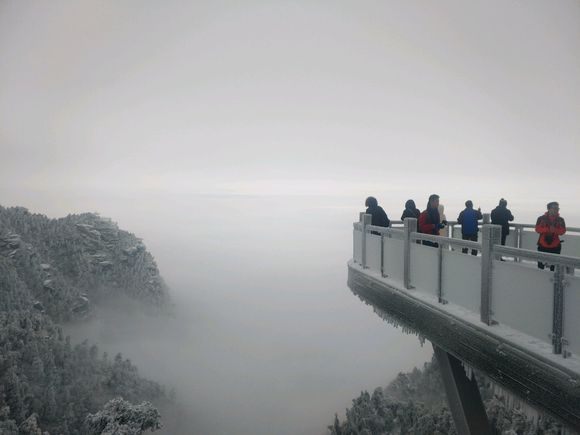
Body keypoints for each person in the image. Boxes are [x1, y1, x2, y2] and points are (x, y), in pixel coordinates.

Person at [535, 202, 566, 271]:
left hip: (555, 247)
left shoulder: (561, 220)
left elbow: (563, 231)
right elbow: (537, 229)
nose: (557, 210)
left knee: (554, 269)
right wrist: (547, 229)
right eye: (555, 208)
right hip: (542, 246)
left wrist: (554, 230)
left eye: (558, 208)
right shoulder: (541, 218)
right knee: (540, 268)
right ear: (548, 209)